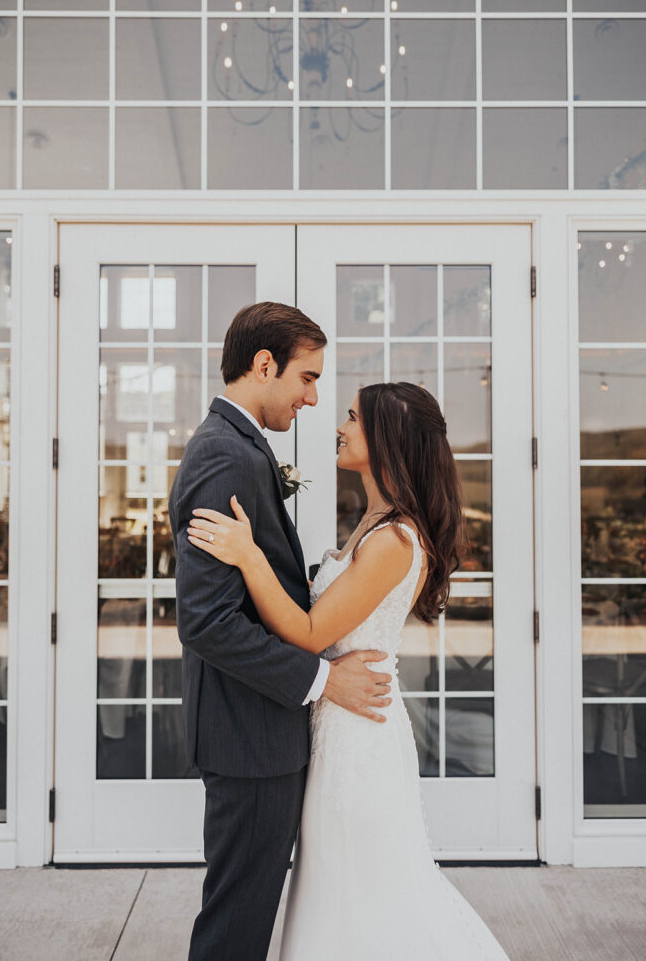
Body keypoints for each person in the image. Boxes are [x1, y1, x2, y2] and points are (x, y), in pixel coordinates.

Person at [188, 381, 512, 961]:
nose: (338, 425)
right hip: (333, 724)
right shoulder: (374, 523)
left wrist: (248, 556)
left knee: (368, 889)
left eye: (353, 418)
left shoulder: (394, 539)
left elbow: (311, 632)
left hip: (360, 735)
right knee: (337, 889)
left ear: (386, 440)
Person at [168, 302, 394, 961]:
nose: (313, 398)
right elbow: (206, 621)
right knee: (237, 923)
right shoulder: (226, 455)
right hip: (249, 736)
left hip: (253, 732)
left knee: (244, 911)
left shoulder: (238, 447)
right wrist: (325, 681)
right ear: (264, 364)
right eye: (306, 377)